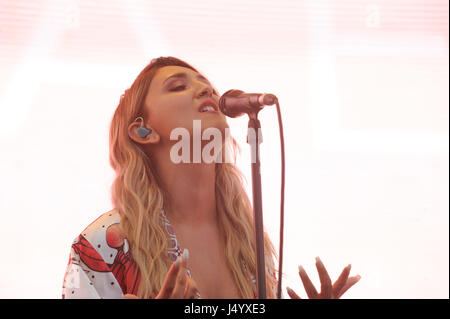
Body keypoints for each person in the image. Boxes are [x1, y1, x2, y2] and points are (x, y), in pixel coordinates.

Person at [62, 56, 360, 299]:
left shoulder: (251, 245)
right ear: (144, 131)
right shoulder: (102, 246)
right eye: (178, 87)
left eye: (208, 87)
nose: (207, 91)